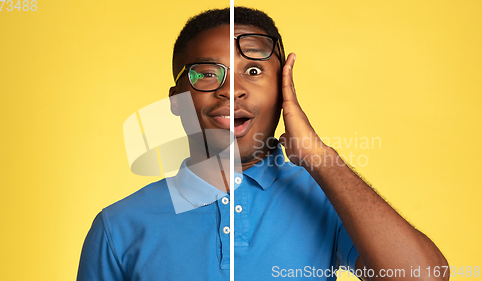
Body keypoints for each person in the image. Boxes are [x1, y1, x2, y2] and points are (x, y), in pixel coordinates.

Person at [77, 7, 448, 281]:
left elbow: (424, 277)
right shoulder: (119, 227)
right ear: (177, 101)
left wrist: (319, 157)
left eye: (253, 71)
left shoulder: (326, 201)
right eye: (207, 74)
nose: (231, 89)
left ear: (284, 92)